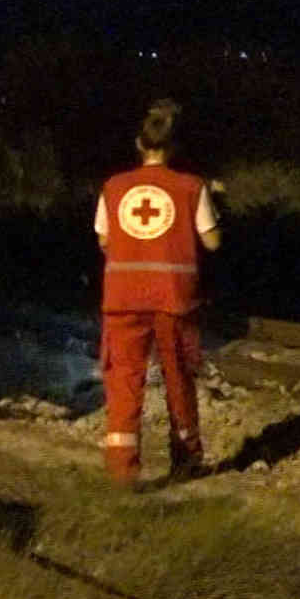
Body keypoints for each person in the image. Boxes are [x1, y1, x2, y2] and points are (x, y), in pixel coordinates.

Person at [94, 99, 221, 490]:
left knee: (124, 383)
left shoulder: (114, 187)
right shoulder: (191, 186)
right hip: (173, 298)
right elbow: (212, 242)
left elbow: (104, 239)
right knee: (179, 377)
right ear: (175, 147)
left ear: (138, 143)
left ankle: (122, 473)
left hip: (122, 298)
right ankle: (186, 458)